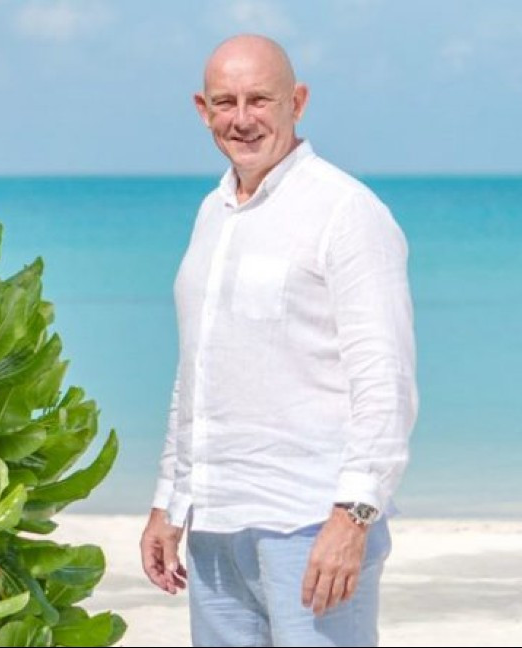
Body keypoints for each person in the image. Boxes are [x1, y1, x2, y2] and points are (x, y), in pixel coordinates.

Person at [139, 34, 418, 647]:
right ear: (202, 109)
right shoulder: (212, 213)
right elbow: (197, 372)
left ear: (298, 101)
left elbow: (385, 378)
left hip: (310, 524)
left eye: (259, 99)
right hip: (214, 526)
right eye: (225, 102)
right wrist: (170, 501)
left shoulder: (346, 211)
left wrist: (355, 517)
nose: (242, 119)